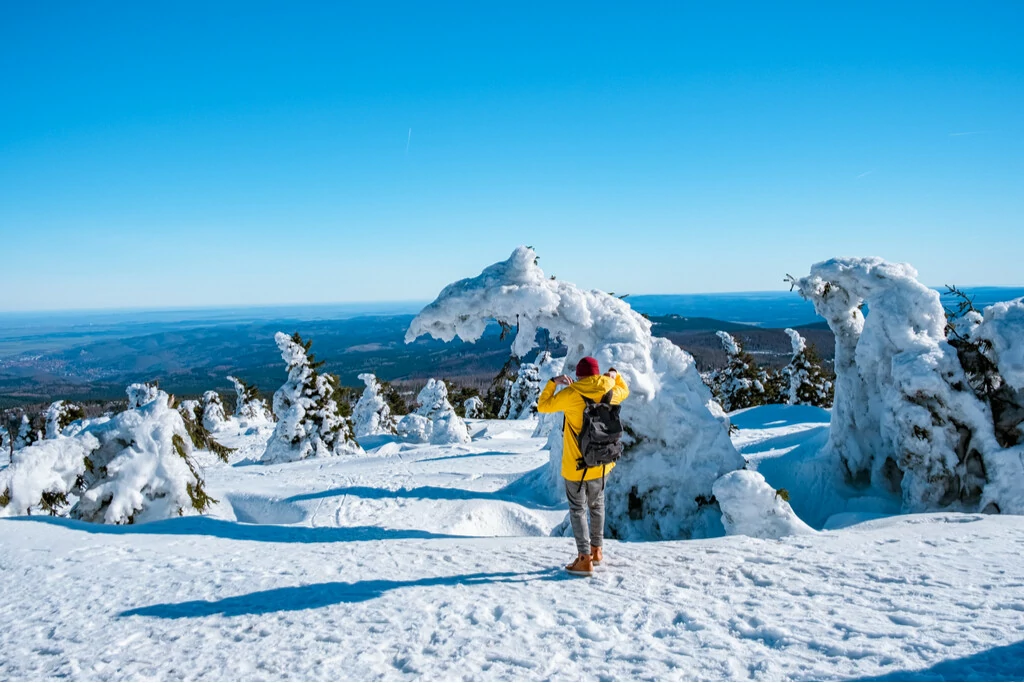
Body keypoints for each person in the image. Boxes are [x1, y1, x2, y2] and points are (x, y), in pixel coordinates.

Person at [537, 356, 629, 576]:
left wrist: (553, 382)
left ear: (578, 375)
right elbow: (623, 389)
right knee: (597, 506)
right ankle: (597, 551)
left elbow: (543, 405)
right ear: (597, 374)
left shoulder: (571, 394)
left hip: (576, 466)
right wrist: (614, 374)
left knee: (578, 510)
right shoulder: (610, 392)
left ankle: (583, 559)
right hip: (603, 464)